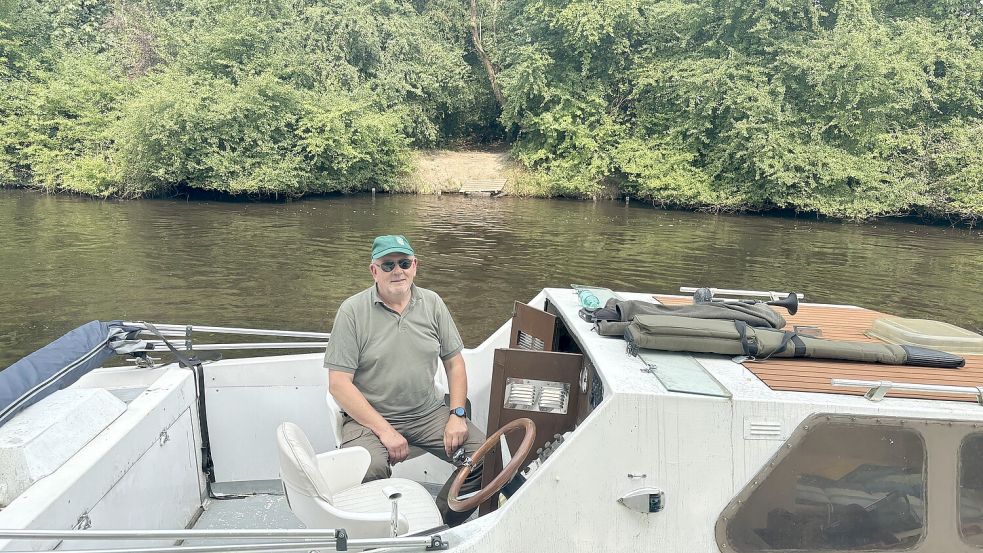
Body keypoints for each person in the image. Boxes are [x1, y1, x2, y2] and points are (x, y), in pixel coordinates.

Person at [323, 234, 485, 526]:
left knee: (485, 456)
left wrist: (457, 414)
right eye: (387, 265)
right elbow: (338, 384)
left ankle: (439, 524)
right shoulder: (352, 311)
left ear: (415, 266)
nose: (397, 271)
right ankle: (376, 536)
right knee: (367, 468)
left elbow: (455, 363)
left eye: (403, 262)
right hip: (368, 420)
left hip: (426, 413)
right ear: (374, 270)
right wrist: (385, 431)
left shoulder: (433, 303)